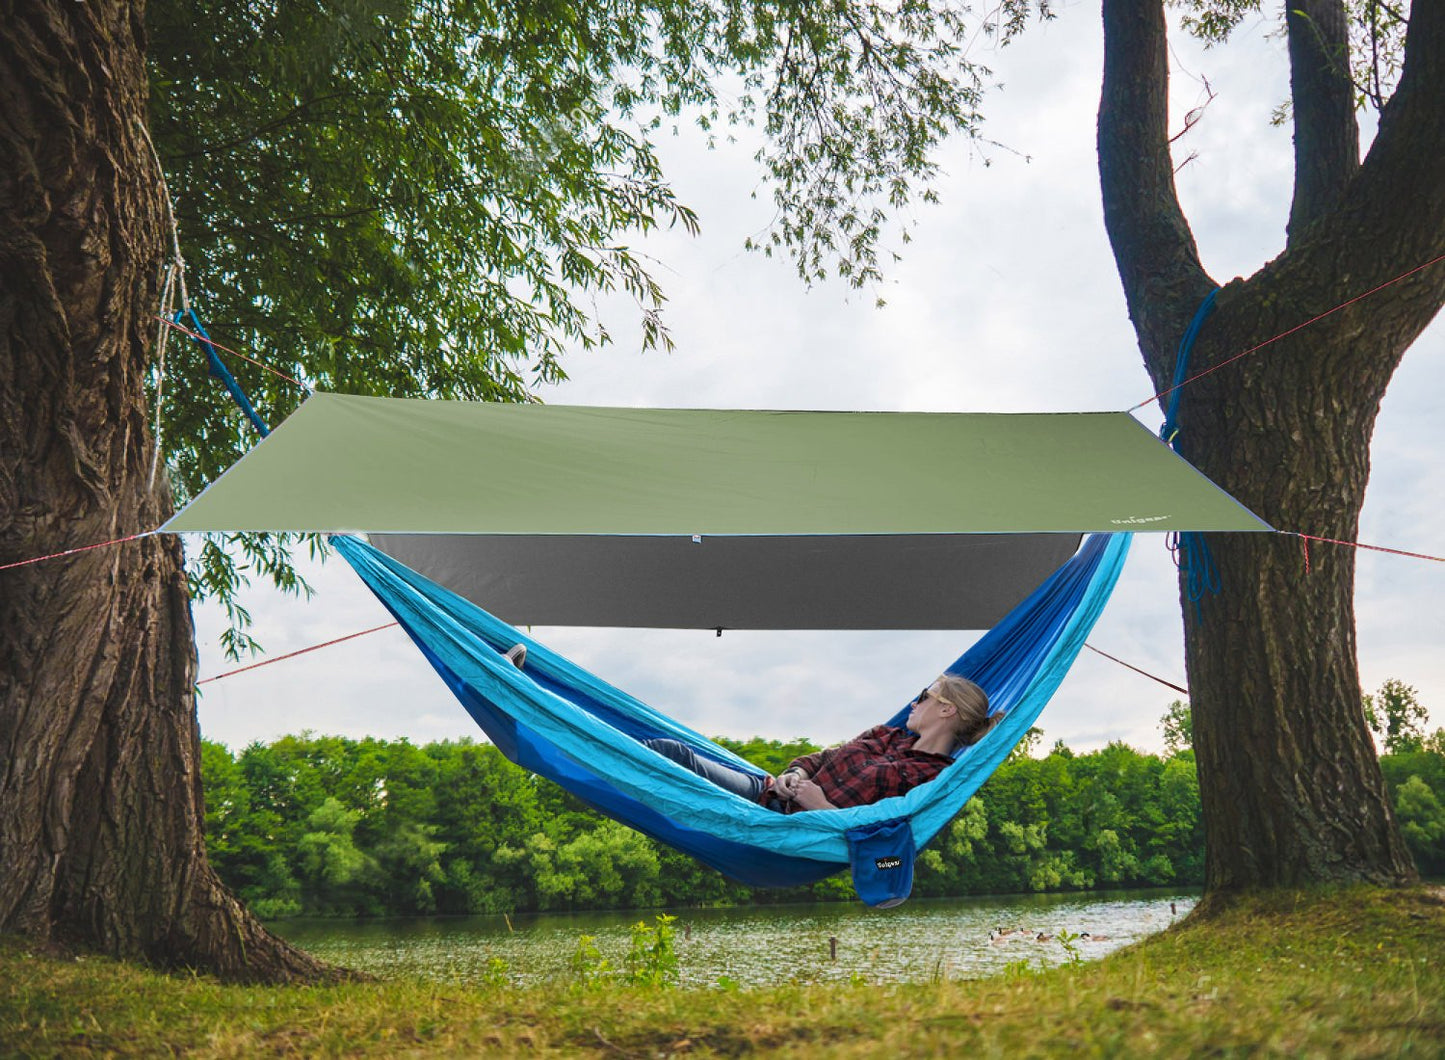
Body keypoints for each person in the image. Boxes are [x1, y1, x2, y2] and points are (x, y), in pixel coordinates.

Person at [644, 674, 997, 812]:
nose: (914, 703)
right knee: (673, 753)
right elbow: (820, 758)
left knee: (670, 757)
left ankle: (588, 765)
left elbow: (880, 835)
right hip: (765, 792)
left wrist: (819, 805)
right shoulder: (886, 734)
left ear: (947, 710)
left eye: (925, 696)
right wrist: (793, 774)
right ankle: (589, 756)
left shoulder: (934, 778)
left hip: (775, 824)